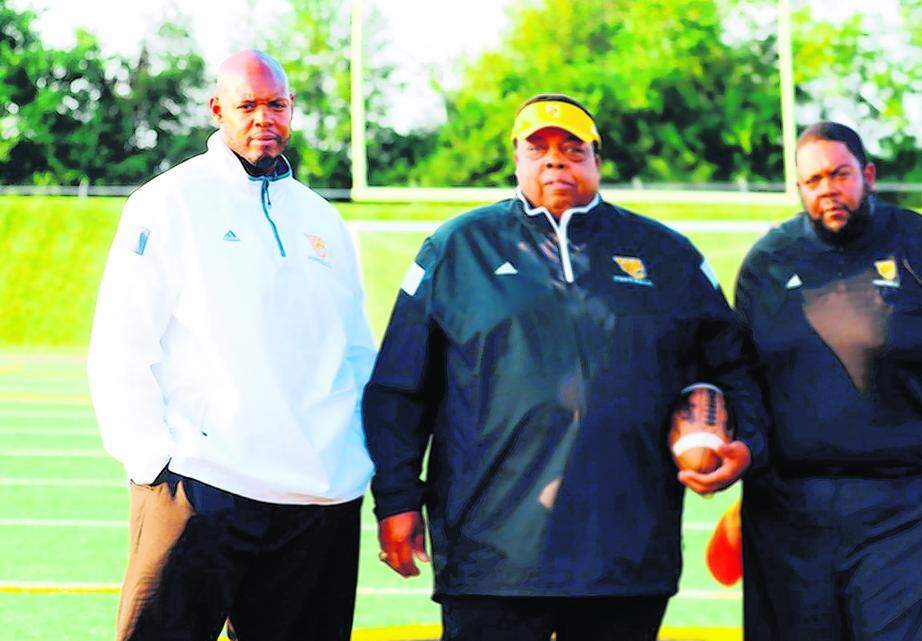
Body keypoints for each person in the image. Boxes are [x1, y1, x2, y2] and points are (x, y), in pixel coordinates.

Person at [362, 93, 768, 641]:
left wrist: (746, 446)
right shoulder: (458, 250)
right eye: (539, 148)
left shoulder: (667, 256)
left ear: (598, 161)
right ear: (517, 160)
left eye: (573, 148)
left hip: (627, 546)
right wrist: (397, 499)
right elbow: (400, 389)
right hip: (492, 550)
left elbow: (735, 368)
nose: (556, 160)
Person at [87, 50, 376, 641]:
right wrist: (154, 465)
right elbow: (122, 340)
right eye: (247, 105)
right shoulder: (170, 202)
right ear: (218, 109)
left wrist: (355, 462)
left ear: (291, 110)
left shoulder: (323, 221)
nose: (263, 118)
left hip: (316, 500)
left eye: (276, 104)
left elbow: (354, 352)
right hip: (201, 484)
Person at [733, 121, 922, 641]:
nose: (827, 190)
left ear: (867, 174)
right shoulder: (767, 263)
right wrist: (748, 462)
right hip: (789, 513)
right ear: (799, 189)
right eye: (812, 181)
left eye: (839, 175)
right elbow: (742, 377)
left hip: (906, 508)